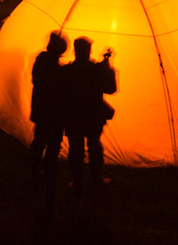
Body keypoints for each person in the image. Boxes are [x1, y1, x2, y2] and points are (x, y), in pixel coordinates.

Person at [64, 37, 117, 194]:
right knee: (94, 146)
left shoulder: (68, 71)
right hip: (92, 116)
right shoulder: (96, 70)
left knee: (76, 148)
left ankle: (78, 181)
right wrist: (108, 69)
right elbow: (111, 88)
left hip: (73, 116)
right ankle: (95, 178)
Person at [27, 32, 68, 192]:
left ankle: (36, 172)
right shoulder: (54, 69)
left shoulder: (41, 61)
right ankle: (47, 171)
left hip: (41, 110)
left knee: (39, 141)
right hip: (53, 113)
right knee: (52, 144)